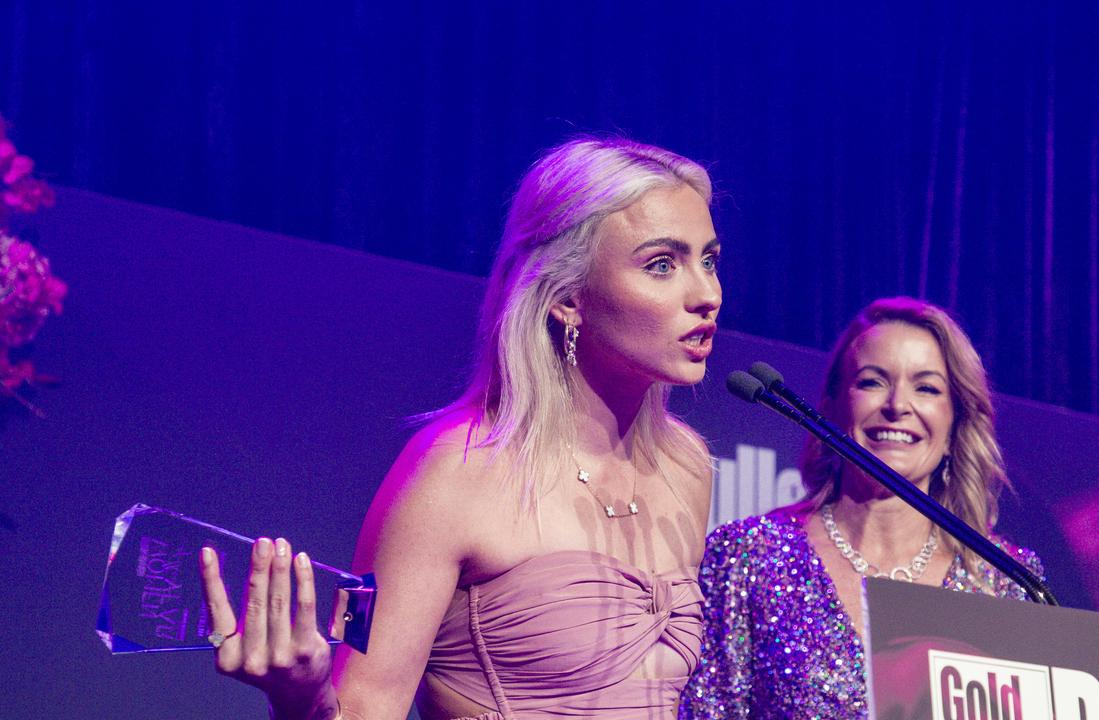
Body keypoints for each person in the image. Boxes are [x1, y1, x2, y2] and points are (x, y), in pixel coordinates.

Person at [199, 136, 724, 719]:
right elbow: (369, 705)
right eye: (661, 265)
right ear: (569, 297)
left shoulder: (685, 468)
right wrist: (301, 698)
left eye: (709, 259)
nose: (707, 294)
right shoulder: (459, 470)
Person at [679, 296, 1044, 719]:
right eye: (872, 382)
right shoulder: (746, 557)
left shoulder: (1006, 582)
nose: (897, 406)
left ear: (955, 423)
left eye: (926, 388)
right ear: (833, 406)